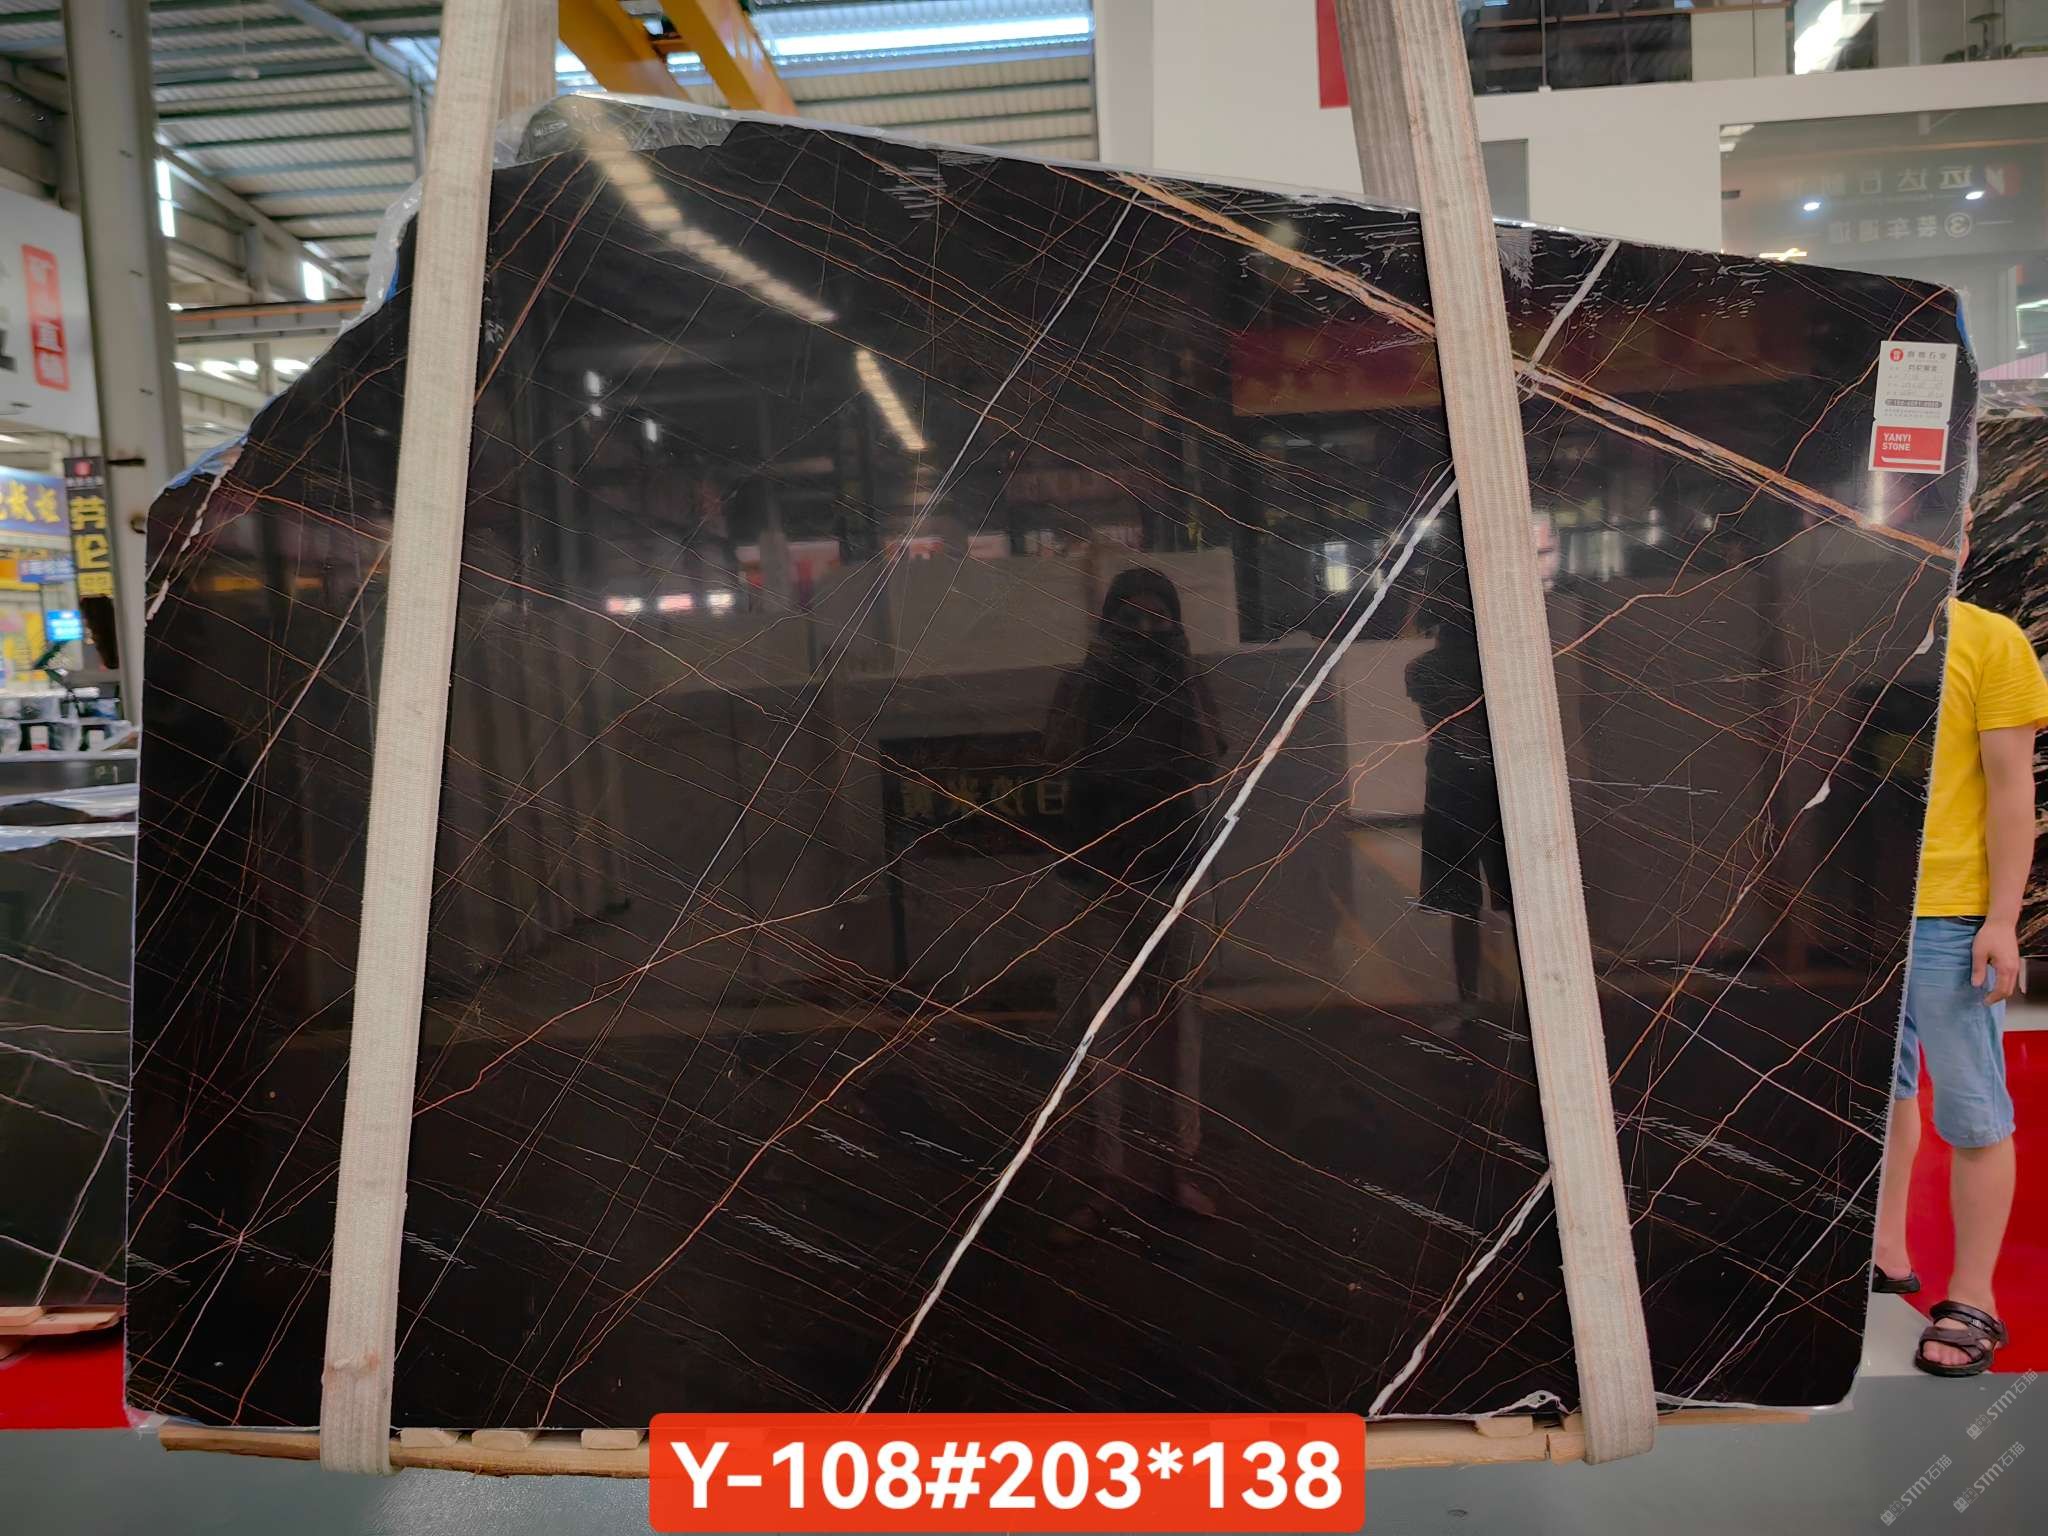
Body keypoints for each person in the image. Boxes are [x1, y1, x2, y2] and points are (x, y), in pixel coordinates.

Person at [1872, 577, 2048, 1377]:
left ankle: (1974, 1296)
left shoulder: (1989, 639)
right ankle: (1884, 1250)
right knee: (1883, 1092)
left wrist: (2003, 919)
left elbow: (2013, 790)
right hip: (1858, 907)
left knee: (1973, 1111)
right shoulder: (1854, 631)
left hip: (1951, 915)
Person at [1042, 567, 1226, 1223]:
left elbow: (1207, 760)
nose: (1144, 631)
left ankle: (1175, 1169)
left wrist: (1179, 674)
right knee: (1095, 1028)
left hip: (1171, 867)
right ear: (1107, 624)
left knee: (1178, 1024)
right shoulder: (1081, 681)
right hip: (1095, 868)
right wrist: (1098, 675)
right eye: (1130, 619)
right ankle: (1101, 1175)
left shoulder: (1187, 679)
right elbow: (1057, 754)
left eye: (1157, 619)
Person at [1405, 589, 1511, 1019]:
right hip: (1490, 785)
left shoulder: (1423, 669)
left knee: (1462, 901)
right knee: (1508, 892)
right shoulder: (1490, 664)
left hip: (1451, 785)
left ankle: (1469, 996)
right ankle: (1510, 992)